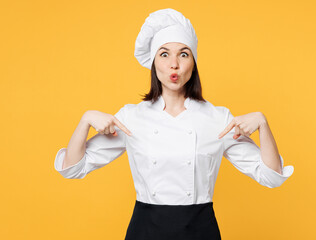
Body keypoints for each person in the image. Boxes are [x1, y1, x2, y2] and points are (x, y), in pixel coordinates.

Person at [54, 8, 294, 240]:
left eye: (184, 54)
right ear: (154, 62)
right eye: (164, 54)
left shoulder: (218, 118)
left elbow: (271, 176)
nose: (174, 64)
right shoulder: (131, 117)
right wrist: (85, 119)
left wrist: (263, 123)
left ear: (194, 63)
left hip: (200, 231)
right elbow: (73, 168)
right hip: (145, 231)